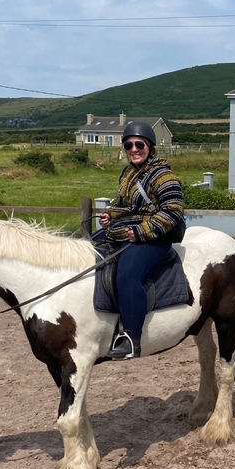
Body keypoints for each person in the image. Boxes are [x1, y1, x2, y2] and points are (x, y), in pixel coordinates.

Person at [99, 120, 185, 359]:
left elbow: (173, 210)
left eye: (139, 144)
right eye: (128, 145)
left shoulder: (163, 176)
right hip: (128, 230)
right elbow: (124, 207)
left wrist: (142, 232)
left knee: (128, 274)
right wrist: (109, 216)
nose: (134, 149)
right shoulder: (127, 174)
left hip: (155, 236)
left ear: (150, 147)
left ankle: (131, 337)